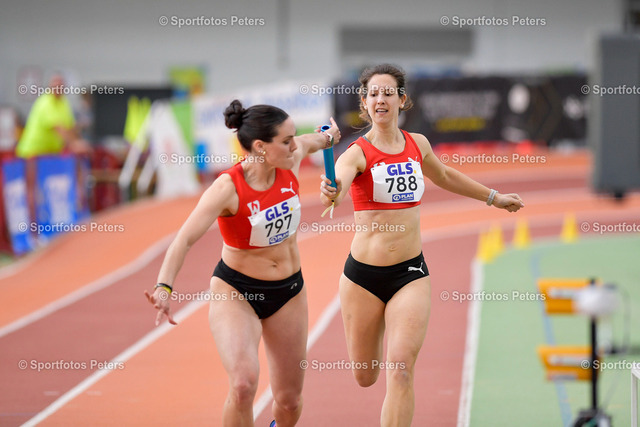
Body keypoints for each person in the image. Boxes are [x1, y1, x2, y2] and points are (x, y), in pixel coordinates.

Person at [320, 64, 524, 426]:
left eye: (388, 93)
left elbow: (444, 175)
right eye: (373, 94)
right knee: (365, 376)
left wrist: (494, 197)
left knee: (400, 369)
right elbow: (338, 182)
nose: (380, 100)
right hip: (363, 279)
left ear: (402, 100)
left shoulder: (418, 144)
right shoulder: (356, 153)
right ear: (364, 103)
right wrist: (330, 191)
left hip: (410, 274)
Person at [145, 99, 340, 427]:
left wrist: (330, 136)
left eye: (294, 138)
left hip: (288, 293)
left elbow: (318, 139)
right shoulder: (227, 188)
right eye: (287, 140)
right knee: (242, 385)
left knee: (289, 402)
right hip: (237, 291)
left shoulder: (290, 159)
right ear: (260, 147)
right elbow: (183, 240)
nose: (295, 146)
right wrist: (164, 287)